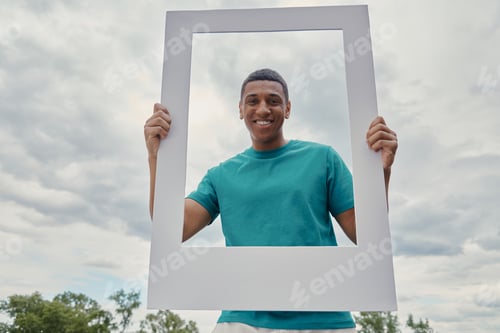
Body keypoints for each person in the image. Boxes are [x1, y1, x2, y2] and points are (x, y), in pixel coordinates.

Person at [144, 68, 398, 333]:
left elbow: (364, 232)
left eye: (273, 101)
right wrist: (156, 158)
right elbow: (174, 226)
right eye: (253, 101)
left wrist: (381, 172)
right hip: (242, 320)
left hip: (322, 318)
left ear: (287, 109)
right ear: (241, 109)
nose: (263, 109)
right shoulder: (221, 175)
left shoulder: (322, 158)